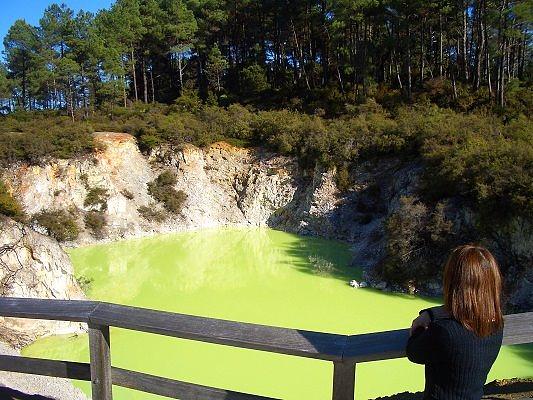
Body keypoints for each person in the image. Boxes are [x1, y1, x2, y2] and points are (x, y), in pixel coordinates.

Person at [406, 244, 504, 400]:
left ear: (452, 282)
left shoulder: (445, 331)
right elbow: (464, 312)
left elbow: (413, 352)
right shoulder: (496, 325)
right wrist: (432, 313)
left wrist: (423, 324)